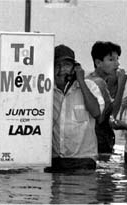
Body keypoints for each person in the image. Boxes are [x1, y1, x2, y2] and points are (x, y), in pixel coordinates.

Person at [45, 44, 105, 172]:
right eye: (57, 65)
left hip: (83, 160)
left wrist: (81, 82)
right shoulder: (46, 90)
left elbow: (96, 112)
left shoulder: (90, 86)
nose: (61, 70)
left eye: (66, 65)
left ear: (75, 67)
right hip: (54, 160)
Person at [87, 41, 127, 154]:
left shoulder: (90, 79)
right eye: (111, 60)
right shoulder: (99, 83)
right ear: (98, 62)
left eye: (117, 59)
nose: (117, 64)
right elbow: (111, 116)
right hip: (99, 140)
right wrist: (122, 85)